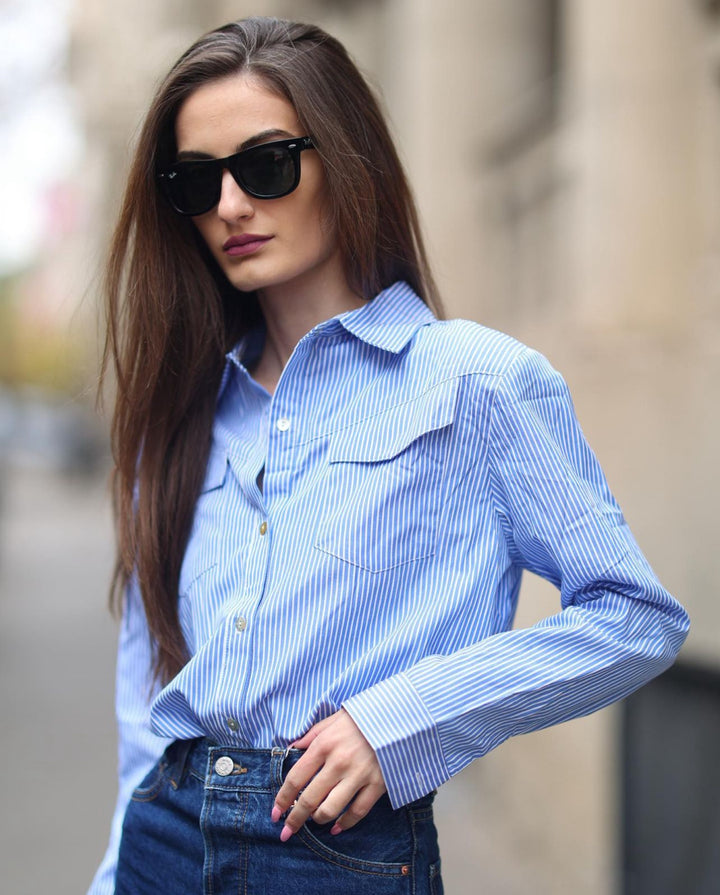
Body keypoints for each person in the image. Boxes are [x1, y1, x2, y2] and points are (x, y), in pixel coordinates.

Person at [88, 15, 689, 895]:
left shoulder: (475, 382)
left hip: (335, 855)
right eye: (194, 182)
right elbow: (150, 698)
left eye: (265, 165)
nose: (229, 206)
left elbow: (635, 617)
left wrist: (401, 721)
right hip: (162, 840)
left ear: (344, 157)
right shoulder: (181, 413)